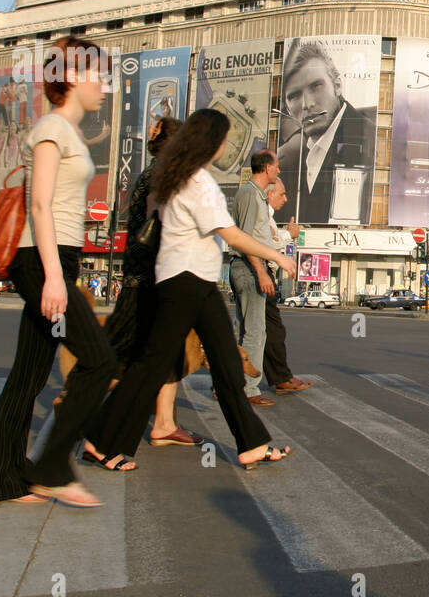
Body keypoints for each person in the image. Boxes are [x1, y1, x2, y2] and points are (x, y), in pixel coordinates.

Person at [83, 108, 297, 470]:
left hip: (192, 280)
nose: (227, 145)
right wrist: (277, 255)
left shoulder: (174, 176)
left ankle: (252, 444)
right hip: (186, 281)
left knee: (227, 365)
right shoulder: (198, 182)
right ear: (210, 141)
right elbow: (229, 233)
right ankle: (101, 441)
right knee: (151, 365)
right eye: (224, 138)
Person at [0, 35, 118, 508]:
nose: (105, 85)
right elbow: (39, 203)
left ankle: (0, 482)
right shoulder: (52, 127)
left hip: (54, 258)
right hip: (41, 259)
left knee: (28, 376)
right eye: (97, 74)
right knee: (99, 361)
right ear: (73, 77)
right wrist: (55, 278)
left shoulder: (69, 130)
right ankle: (52, 468)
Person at [100, 115, 203, 449]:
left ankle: (163, 422)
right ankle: (86, 413)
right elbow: (160, 222)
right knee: (133, 352)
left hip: (145, 271)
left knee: (159, 349)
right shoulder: (161, 174)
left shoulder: (152, 171)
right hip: (151, 274)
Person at [274, 39, 375, 226]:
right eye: (294, 96)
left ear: (337, 86)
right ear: (287, 108)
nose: (307, 104)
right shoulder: (286, 159)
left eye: (316, 86)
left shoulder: (370, 138)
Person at [229, 148, 281, 406]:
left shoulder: (256, 195)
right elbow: (245, 239)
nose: (279, 170)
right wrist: (261, 272)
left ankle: (231, 385)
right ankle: (248, 389)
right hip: (249, 269)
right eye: (277, 166)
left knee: (245, 331)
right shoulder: (250, 194)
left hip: (247, 268)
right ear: (267, 168)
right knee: (255, 332)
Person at [259, 177, 311, 394]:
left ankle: (280, 377)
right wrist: (290, 235)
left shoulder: (267, 216)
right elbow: (264, 243)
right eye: (282, 194)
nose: (286, 199)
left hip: (261, 273)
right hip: (259, 274)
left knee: (258, 331)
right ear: (270, 194)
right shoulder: (262, 213)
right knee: (268, 331)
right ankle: (280, 378)